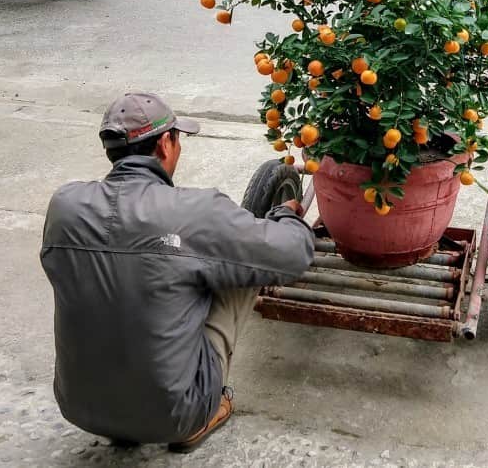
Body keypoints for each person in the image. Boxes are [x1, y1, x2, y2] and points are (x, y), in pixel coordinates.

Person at [40, 92, 314, 453]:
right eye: (177, 138)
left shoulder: (64, 205)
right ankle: (202, 411)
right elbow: (293, 256)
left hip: (78, 407)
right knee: (244, 266)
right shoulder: (195, 211)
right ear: (166, 145)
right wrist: (285, 215)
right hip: (174, 415)